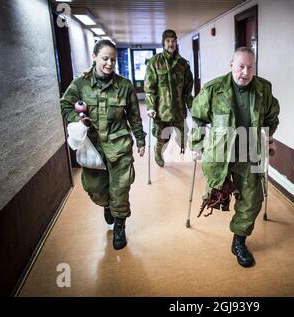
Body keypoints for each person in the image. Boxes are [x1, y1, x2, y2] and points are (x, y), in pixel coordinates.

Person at [190, 47, 280, 267]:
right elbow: (197, 117)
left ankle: (239, 241)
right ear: (231, 65)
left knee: (253, 200)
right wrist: (197, 145)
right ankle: (222, 192)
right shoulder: (213, 89)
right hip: (219, 153)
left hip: (249, 153)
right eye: (241, 66)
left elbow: (271, 117)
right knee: (215, 191)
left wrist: (269, 138)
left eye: (250, 67)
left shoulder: (263, 89)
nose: (245, 72)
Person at [60, 40, 146, 250]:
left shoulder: (124, 85)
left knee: (121, 188)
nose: (110, 63)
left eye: (113, 59)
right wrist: (78, 120)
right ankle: (106, 204)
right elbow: (65, 104)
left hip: (119, 146)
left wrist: (140, 140)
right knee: (96, 189)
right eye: (105, 58)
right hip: (93, 147)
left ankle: (119, 225)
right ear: (95, 57)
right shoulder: (81, 83)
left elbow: (134, 116)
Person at [144, 29, 194, 167]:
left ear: (176, 42)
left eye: (173, 41)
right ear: (163, 43)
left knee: (183, 134)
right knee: (163, 137)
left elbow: (187, 89)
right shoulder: (155, 62)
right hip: (161, 110)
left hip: (178, 108)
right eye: (168, 41)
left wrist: (192, 107)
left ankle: (182, 149)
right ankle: (158, 151)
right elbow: (150, 89)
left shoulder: (183, 64)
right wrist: (150, 107)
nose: (171, 44)